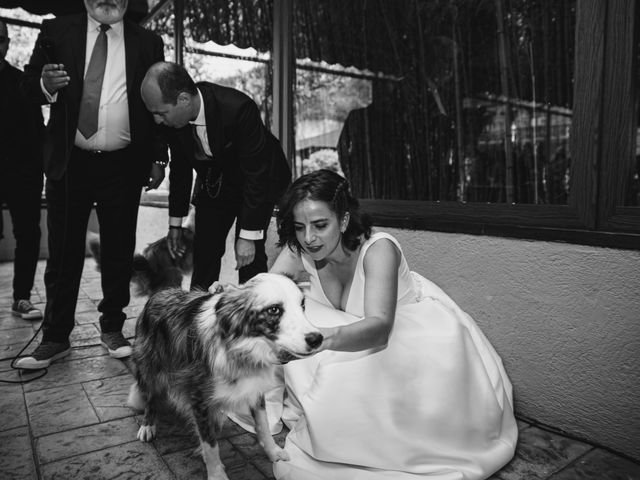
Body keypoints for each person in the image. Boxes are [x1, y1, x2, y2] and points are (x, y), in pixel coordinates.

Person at [262, 169, 518, 479]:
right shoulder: (301, 248)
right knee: (295, 314)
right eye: (300, 227)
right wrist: (230, 296)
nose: (309, 238)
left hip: (409, 334)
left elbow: (380, 327)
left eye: (320, 225)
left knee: (338, 361)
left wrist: (316, 341)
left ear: (343, 220)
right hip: (351, 329)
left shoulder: (379, 248)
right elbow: (264, 289)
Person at [15, 0, 167, 370]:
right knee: (64, 253)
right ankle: (55, 337)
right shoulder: (56, 31)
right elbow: (26, 87)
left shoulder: (148, 42)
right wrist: (42, 85)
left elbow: (159, 102)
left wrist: (158, 158)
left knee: (118, 251)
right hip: (71, 163)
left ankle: (112, 328)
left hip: (124, 164)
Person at [140, 61, 291, 290]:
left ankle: (252, 316)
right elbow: (180, 172)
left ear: (183, 99)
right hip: (217, 181)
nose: (157, 121)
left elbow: (256, 175)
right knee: (205, 249)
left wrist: (248, 236)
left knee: (250, 255)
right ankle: (198, 317)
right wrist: (175, 225)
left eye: (160, 113)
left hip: (260, 178)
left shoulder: (238, 108)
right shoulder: (174, 122)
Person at [0, 19, 45, 320]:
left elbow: (38, 132)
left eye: (0, 39)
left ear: (7, 44)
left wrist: (37, 173)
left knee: (28, 234)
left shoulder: (20, 81)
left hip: (21, 173)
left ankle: (22, 298)